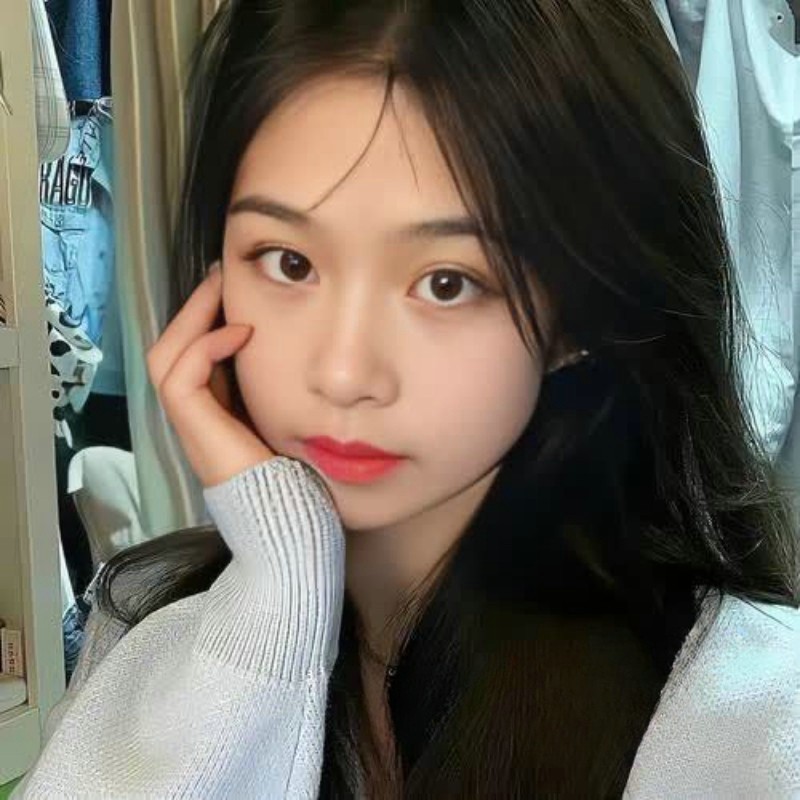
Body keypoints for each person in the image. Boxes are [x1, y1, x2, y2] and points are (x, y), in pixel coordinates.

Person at [15, 0, 800, 797]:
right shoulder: (150, 621)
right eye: (288, 262)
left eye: (447, 282)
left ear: (583, 314)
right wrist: (274, 607)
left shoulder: (747, 709)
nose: (344, 372)